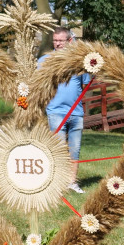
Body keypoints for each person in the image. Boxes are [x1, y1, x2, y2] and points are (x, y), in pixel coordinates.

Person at [38, 27, 91, 193]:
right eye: (55, 40)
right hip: (55, 111)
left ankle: (72, 182)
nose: (57, 44)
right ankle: (58, 185)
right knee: (59, 149)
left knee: (75, 149)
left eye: (61, 40)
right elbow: (38, 84)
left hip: (76, 112)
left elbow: (85, 84)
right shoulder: (45, 60)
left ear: (70, 40)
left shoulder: (79, 62)